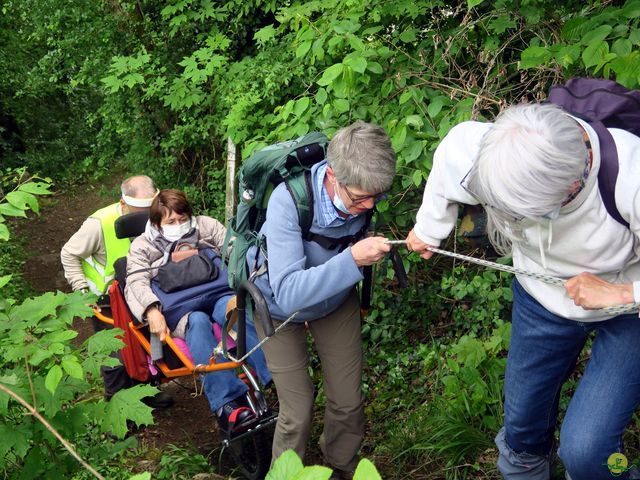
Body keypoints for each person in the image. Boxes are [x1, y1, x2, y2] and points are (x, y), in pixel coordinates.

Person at [406, 103, 640, 480]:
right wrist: (428, 228)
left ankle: (612, 473)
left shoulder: (632, 175)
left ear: (571, 187)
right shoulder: (494, 149)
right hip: (541, 298)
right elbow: (451, 156)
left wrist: (621, 293)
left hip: (629, 312)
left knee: (586, 451)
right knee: (522, 432)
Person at [248, 121, 396, 478]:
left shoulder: (364, 192)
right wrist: (354, 259)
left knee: (347, 402)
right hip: (278, 309)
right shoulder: (289, 201)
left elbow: (358, 228)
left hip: (334, 300)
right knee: (297, 409)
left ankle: (342, 469)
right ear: (332, 175)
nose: (369, 205)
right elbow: (289, 291)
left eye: (376, 196)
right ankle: (285, 474)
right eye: (360, 198)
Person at [124, 189, 272, 430]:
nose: (178, 225)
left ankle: (274, 375)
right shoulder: (143, 246)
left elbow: (236, 250)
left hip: (218, 291)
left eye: (182, 219)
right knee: (199, 323)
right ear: (157, 223)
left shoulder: (206, 227)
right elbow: (134, 282)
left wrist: (249, 282)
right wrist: (151, 310)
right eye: (171, 221)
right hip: (181, 307)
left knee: (234, 311)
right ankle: (227, 403)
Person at [61, 175, 173, 408]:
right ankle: (116, 410)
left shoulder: (161, 214)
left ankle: (147, 393)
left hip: (143, 291)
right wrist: (81, 289)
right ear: (123, 203)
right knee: (115, 354)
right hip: (107, 298)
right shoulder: (99, 223)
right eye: (139, 208)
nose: (145, 213)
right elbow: (69, 253)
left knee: (149, 345)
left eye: (149, 207)